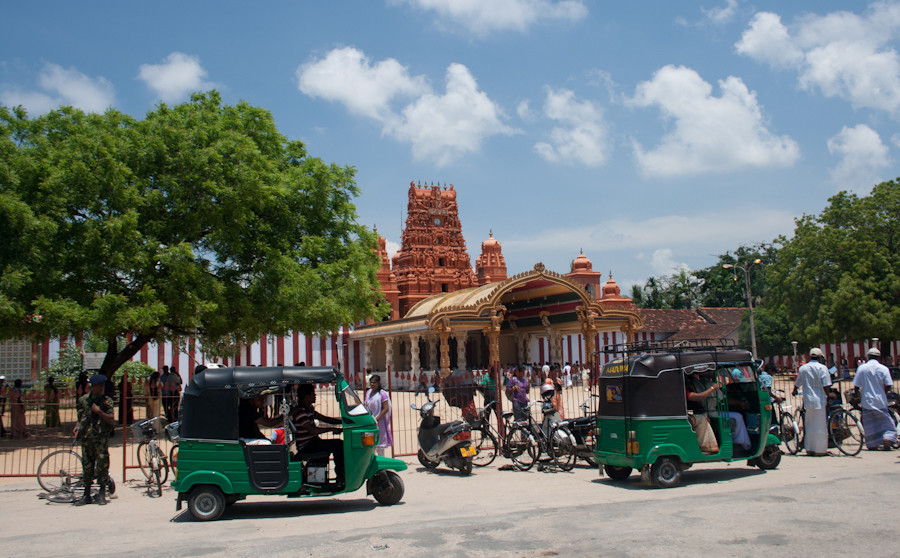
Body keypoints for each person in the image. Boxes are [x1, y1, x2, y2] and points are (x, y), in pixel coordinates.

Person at [290, 384, 344, 485]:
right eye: (313, 394)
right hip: (307, 446)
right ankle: (340, 476)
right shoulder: (300, 412)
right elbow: (312, 430)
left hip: (313, 442)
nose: (315, 396)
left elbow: (325, 419)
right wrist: (331, 429)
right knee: (338, 444)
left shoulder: (309, 410)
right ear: (306, 397)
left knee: (336, 444)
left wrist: (343, 421)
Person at [74, 375, 115, 505]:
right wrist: (77, 428)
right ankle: (86, 494)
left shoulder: (106, 401)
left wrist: (99, 412)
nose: (102, 388)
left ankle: (102, 492)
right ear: (93, 386)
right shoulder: (83, 400)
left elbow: (111, 419)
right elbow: (80, 417)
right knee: (87, 465)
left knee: (102, 465)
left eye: (103, 386)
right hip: (87, 438)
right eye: (99, 386)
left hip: (100, 438)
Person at [853, 348, 896, 451]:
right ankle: (887, 438)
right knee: (886, 422)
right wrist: (884, 393)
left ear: (868, 356)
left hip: (867, 401)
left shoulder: (862, 368)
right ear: (879, 357)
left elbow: (856, 385)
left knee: (870, 424)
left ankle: (872, 444)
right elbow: (889, 385)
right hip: (880, 400)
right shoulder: (883, 369)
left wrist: (856, 397)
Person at [793, 347, 833, 456]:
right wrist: (829, 394)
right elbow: (826, 385)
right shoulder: (822, 368)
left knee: (809, 425)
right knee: (820, 426)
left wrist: (794, 391)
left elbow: (797, 383)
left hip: (808, 401)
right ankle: (820, 450)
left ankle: (809, 448)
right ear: (820, 357)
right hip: (819, 400)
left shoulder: (803, 368)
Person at [364, 375, 392, 456]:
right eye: (371, 382)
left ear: (379, 383)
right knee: (369, 445)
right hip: (369, 422)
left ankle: (381, 466)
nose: (372, 384)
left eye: (374, 382)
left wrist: (376, 419)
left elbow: (386, 408)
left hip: (379, 423)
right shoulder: (369, 392)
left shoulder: (382, 394)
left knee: (379, 447)